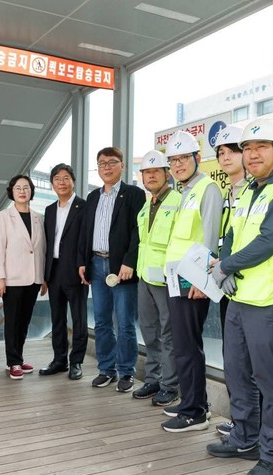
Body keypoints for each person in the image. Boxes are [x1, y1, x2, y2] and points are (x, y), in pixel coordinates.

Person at [206, 118, 273, 475]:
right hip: (239, 298)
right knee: (236, 372)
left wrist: (226, 266)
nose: (252, 154)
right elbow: (233, 235)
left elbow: (269, 240)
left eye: (261, 147)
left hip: (269, 301)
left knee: (271, 381)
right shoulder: (249, 190)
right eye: (247, 148)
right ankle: (245, 437)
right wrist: (226, 265)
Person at [160, 131, 224, 432]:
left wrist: (203, 280)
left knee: (188, 346)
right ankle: (194, 401)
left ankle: (194, 412)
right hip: (177, 278)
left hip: (192, 281)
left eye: (183, 158)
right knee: (184, 344)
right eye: (173, 160)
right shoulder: (185, 191)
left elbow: (209, 238)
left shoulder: (207, 189)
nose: (178, 165)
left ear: (197, 158)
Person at [78, 146, 143, 392]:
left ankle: (126, 371)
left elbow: (138, 231)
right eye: (102, 163)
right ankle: (106, 369)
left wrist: (130, 261)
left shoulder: (134, 194)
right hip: (96, 264)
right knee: (102, 321)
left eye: (112, 162)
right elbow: (86, 232)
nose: (106, 167)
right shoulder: (92, 197)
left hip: (121, 267)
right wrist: (83, 262)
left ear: (122, 166)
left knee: (125, 322)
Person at [211, 125, 254, 436]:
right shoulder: (229, 191)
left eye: (232, 151)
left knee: (249, 362)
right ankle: (242, 422)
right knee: (233, 358)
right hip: (226, 283)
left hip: (249, 285)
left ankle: (251, 425)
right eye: (221, 153)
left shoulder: (254, 190)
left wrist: (228, 267)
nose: (226, 158)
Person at [133, 150, 181, 406]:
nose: (151, 176)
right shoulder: (146, 205)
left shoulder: (178, 201)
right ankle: (153, 379)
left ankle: (170, 385)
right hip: (145, 277)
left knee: (169, 333)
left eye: (156, 171)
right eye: (146, 172)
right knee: (149, 331)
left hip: (166, 279)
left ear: (167, 174)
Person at [0, 174, 47, 380]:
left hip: (33, 278)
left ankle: (18, 357)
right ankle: (12, 361)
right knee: (13, 321)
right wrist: (0, 277)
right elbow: (0, 248)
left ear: (31, 191)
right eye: (18, 188)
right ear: (12, 192)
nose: (22, 191)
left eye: (26, 188)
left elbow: (41, 250)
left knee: (24, 321)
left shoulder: (38, 217)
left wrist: (43, 277)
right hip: (13, 278)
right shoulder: (4, 216)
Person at [40, 164, 88, 381]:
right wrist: (44, 275)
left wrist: (84, 265)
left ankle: (76, 361)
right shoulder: (50, 210)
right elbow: (47, 243)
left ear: (73, 182)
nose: (62, 182)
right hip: (54, 270)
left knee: (78, 318)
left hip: (76, 270)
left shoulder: (83, 207)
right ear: (52, 184)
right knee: (57, 318)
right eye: (57, 179)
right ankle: (59, 359)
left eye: (66, 178)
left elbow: (86, 239)